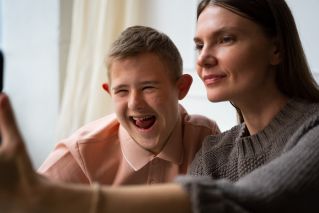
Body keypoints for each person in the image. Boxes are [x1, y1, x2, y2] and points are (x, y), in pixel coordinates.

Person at [1, 0, 319, 212]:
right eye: (199, 44)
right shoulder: (215, 151)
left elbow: (257, 199)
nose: (204, 58)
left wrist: (48, 197)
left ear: (276, 49)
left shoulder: (312, 130)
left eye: (225, 39)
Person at [38, 25, 220, 185]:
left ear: (182, 88)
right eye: (122, 91)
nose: (135, 103)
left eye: (148, 88)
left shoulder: (206, 137)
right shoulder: (82, 151)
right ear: (109, 92)